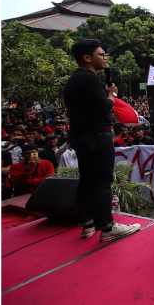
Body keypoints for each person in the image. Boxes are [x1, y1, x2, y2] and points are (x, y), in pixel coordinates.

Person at [63, 39, 140, 242]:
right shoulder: (89, 79)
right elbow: (102, 108)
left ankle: (87, 223)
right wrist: (112, 96)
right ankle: (107, 227)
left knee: (87, 179)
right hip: (97, 136)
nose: (105, 58)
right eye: (101, 54)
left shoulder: (74, 79)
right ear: (87, 57)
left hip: (82, 136)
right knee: (102, 181)